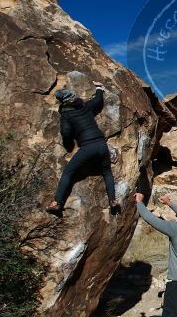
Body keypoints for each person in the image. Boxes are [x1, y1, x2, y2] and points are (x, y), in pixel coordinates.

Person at [46, 81, 121, 217]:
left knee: (68, 172)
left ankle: (57, 203)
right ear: (73, 98)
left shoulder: (66, 116)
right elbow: (98, 100)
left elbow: (66, 134)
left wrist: (69, 141)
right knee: (107, 172)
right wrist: (99, 88)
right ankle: (113, 200)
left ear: (63, 102)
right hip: (101, 144)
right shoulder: (85, 106)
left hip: (88, 147)